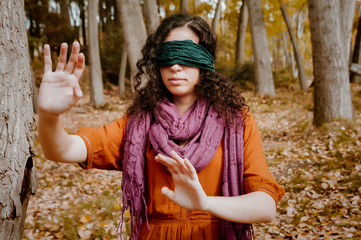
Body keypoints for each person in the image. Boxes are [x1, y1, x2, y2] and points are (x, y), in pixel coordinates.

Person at [38, 13, 285, 240]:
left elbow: (266, 206)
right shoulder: (139, 124)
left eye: (187, 55)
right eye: (168, 57)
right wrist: (49, 116)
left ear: (205, 62)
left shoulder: (236, 121)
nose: (175, 67)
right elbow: (62, 150)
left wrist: (205, 203)